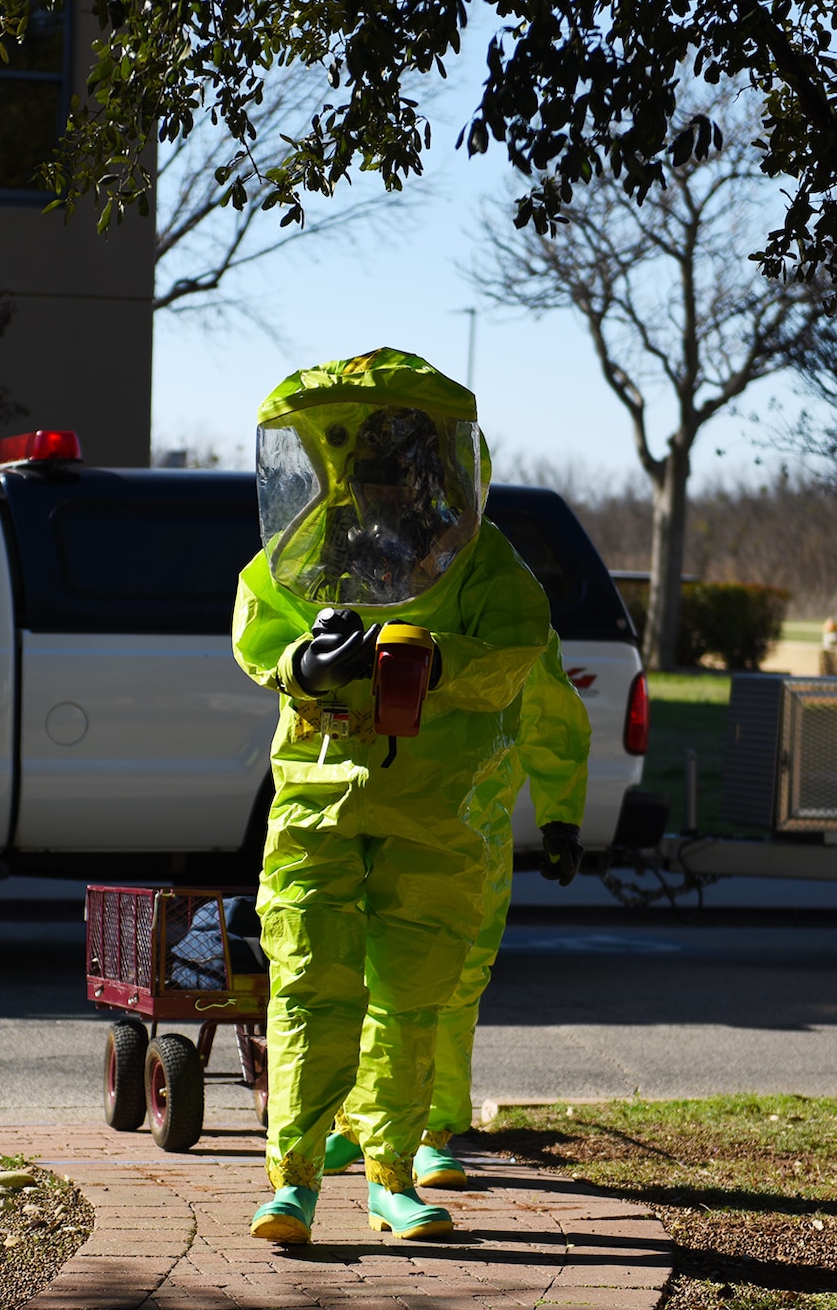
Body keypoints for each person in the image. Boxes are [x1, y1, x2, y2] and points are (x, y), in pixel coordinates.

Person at [233, 348, 553, 1244]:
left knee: (411, 996)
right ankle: (292, 1181)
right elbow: (260, 629)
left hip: (432, 808)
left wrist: (440, 659)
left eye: (389, 457)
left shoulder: (477, 558)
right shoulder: (309, 547)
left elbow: (523, 647)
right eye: (360, 459)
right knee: (305, 985)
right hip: (319, 800)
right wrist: (307, 661)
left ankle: (391, 1174)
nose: (373, 479)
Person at [327, 630, 591, 1187]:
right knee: (356, 971)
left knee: (453, 979)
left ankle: (428, 1130)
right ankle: (363, 1122)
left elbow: (548, 713)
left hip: (470, 828)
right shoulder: (372, 581)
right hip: (370, 811)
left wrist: (560, 816)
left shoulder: (504, 600)